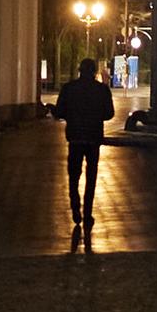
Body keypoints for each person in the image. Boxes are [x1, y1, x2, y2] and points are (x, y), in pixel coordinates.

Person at [51, 57, 114, 232]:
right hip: (93, 138)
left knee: (73, 175)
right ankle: (87, 212)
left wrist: (55, 110)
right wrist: (96, 115)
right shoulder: (102, 90)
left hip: (75, 137)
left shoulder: (68, 89)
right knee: (91, 176)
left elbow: (60, 112)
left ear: (79, 70)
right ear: (94, 71)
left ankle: (75, 207)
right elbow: (109, 113)